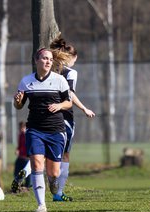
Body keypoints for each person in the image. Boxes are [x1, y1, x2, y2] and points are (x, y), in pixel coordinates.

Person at [13, 48, 72, 212]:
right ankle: (41, 205)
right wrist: (17, 101)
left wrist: (59, 105)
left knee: (53, 173)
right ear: (36, 60)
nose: (48, 62)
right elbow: (19, 106)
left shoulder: (59, 80)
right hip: (34, 130)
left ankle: (53, 183)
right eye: (45, 58)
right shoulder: (26, 81)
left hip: (55, 131)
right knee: (37, 164)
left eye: (50, 59)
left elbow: (68, 102)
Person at [50, 36, 95, 201]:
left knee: (44, 153)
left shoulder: (49, 70)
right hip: (64, 118)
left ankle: (26, 171)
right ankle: (58, 193)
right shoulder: (71, 72)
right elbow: (69, 94)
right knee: (65, 155)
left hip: (47, 115)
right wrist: (84, 108)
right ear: (71, 57)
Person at [11, 121, 31, 192]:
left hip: (26, 158)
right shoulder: (20, 135)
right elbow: (19, 146)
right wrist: (17, 150)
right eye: (20, 128)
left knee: (27, 173)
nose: (21, 129)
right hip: (20, 157)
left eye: (22, 128)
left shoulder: (28, 135)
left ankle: (28, 187)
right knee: (16, 172)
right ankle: (18, 186)